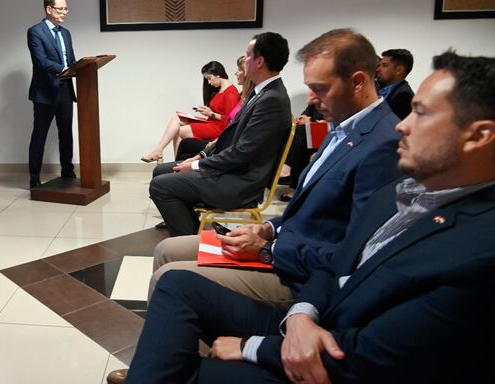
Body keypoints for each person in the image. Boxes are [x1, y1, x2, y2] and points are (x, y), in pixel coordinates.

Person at [112, 50, 495, 384]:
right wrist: (271, 237)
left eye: (420, 113)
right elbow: (345, 260)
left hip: (323, 325)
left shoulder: (473, 245)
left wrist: (256, 339)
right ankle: (162, 357)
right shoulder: (392, 180)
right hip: (308, 294)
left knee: (170, 276)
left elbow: (375, 346)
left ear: (477, 136)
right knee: (171, 270)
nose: (402, 125)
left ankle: (166, 364)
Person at [149, 29, 403, 308]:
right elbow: (306, 212)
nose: (312, 100)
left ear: (357, 82)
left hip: (297, 273)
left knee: (168, 276)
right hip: (280, 243)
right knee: (165, 250)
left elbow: (353, 252)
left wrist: (267, 252)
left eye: (319, 88)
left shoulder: (383, 145)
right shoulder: (343, 126)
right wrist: (268, 228)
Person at [149, 32, 292, 237]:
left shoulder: (272, 100)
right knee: (161, 171)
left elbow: (243, 151)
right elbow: (229, 136)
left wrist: (197, 165)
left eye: (248, 56)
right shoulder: (261, 92)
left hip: (240, 182)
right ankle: (191, 230)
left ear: (259, 61)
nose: (244, 62)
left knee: (160, 186)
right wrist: (200, 156)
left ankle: (189, 244)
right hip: (233, 171)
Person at [141, 61, 238, 164]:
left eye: (209, 78)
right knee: (176, 117)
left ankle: (175, 162)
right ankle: (160, 152)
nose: (209, 82)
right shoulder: (220, 90)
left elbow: (230, 120)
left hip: (219, 128)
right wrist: (208, 113)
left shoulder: (230, 92)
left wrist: (211, 114)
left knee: (179, 131)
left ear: (218, 74)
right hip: (212, 122)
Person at [27, 0, 77, 189]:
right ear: (49, 9)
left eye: (66, 8)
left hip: (65, 90)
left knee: (66, 134)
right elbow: (40, 61)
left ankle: (67, 171)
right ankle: (34, 177)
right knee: (39, 135)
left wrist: (79, 67)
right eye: (60, 8)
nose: (64, 12)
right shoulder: (35, 32)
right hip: (45, 93)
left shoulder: (66, 33)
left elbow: (71, 60)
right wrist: (63, 69)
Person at [175, 55, 255, 161]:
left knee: (184, 139)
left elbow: (229, 124)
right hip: (219, 135)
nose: (235, 73)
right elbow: (231, 122)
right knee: (177, 122)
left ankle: (172, 163)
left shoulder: (234, 94)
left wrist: (211, 115)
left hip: (222, 137)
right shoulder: (241, 97)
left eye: (240, 70)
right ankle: (171, 162)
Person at [278, 104, 324, 201]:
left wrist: (312, 121)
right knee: (295, 131)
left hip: (329, 130)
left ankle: (286, 166)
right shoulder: (318, 96)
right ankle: (296, 187)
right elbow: (308, 111)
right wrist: (302, 118)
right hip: (314, 130)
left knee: (300, 132)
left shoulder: (338, 96)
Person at [376, 48, 414, 119]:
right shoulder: (379, 88)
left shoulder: (404, 97)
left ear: (399, 70)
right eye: (379, 65)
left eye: (384, 65)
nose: (378, 69)